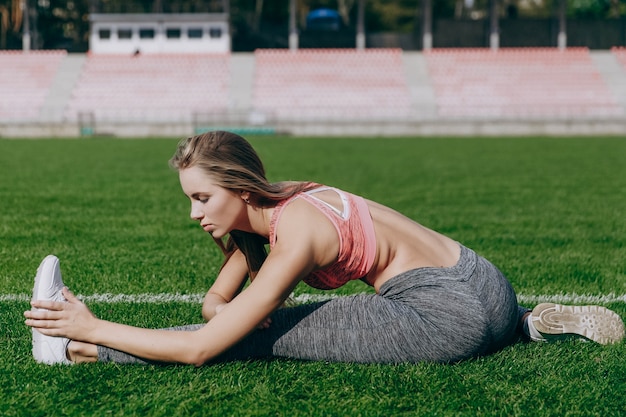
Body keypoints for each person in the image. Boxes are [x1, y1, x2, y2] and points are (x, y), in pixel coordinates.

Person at [24, 131, 625, 366]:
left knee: (258, 338)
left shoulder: (298, 234)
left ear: (237, 188)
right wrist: (220, 299)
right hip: (487, 283)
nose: (193, 212)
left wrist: (95, 325)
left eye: (202, 198)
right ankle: (527, 324)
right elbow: (228, 286)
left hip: (443, 320)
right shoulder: (290, 200)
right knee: (246, 320)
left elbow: (204, 347)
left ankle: (73, 350)